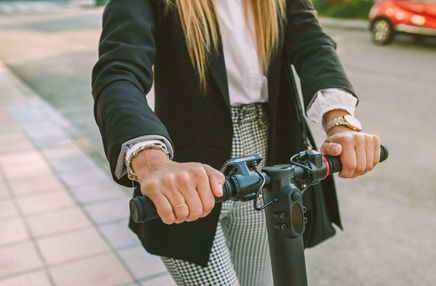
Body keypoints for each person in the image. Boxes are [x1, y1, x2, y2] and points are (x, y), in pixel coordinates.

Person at [92, 0, 381, 285]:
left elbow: (313, 45)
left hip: (266, 157)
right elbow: (119, 71)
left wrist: (340, 121)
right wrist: (150, 160)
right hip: (186, 168)